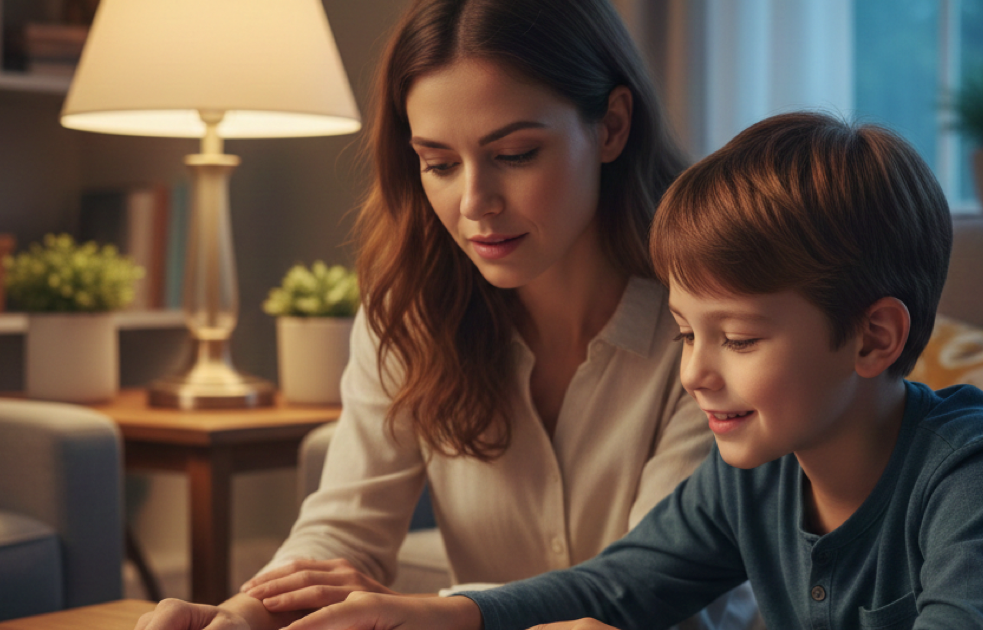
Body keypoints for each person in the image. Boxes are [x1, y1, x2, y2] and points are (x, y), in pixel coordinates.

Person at [277, 111, 983, 630]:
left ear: (873, 339)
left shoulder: (978, 476)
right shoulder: (759, 472)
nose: (695, 375)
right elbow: (622, 586)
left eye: (738, 339)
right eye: (683, 333)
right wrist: (431, 615)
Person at [134, 1, 758, 629]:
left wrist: (433, 612)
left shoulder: (713, 325)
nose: (474, 202)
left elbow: (650, 593)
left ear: (612, 126)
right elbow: (343, 527)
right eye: (438, 163)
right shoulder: (413, 311)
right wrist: (249, 614)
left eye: (514, 154)